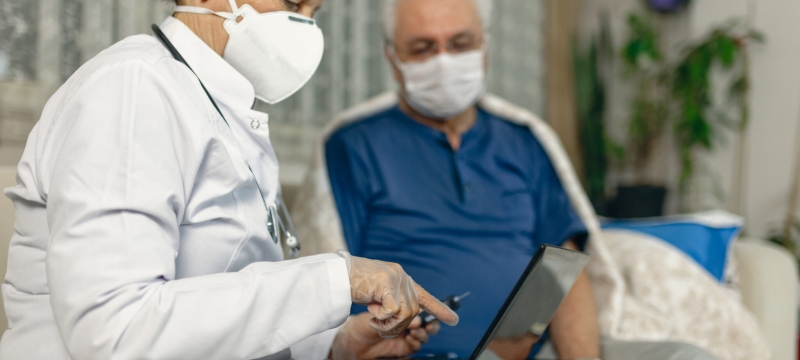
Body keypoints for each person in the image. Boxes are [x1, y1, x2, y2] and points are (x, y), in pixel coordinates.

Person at [0, 0, 458, 359]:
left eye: (315, 12)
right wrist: (338, 278)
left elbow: (217, 308)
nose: (305, 26)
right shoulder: (134, 88)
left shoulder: (222, 106)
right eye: (293, 2)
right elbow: (115, 331)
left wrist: (332, 348)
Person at [320, 0, 718, 359]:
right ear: (393, 58)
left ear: (485, 46)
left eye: (460, 44)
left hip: (538, 351)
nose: (444, 61)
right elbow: (331, 273)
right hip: (417, 354)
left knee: (688, 355)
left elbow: (563, 266)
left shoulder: (523, 141)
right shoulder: (351, 147)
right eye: (423, 48)